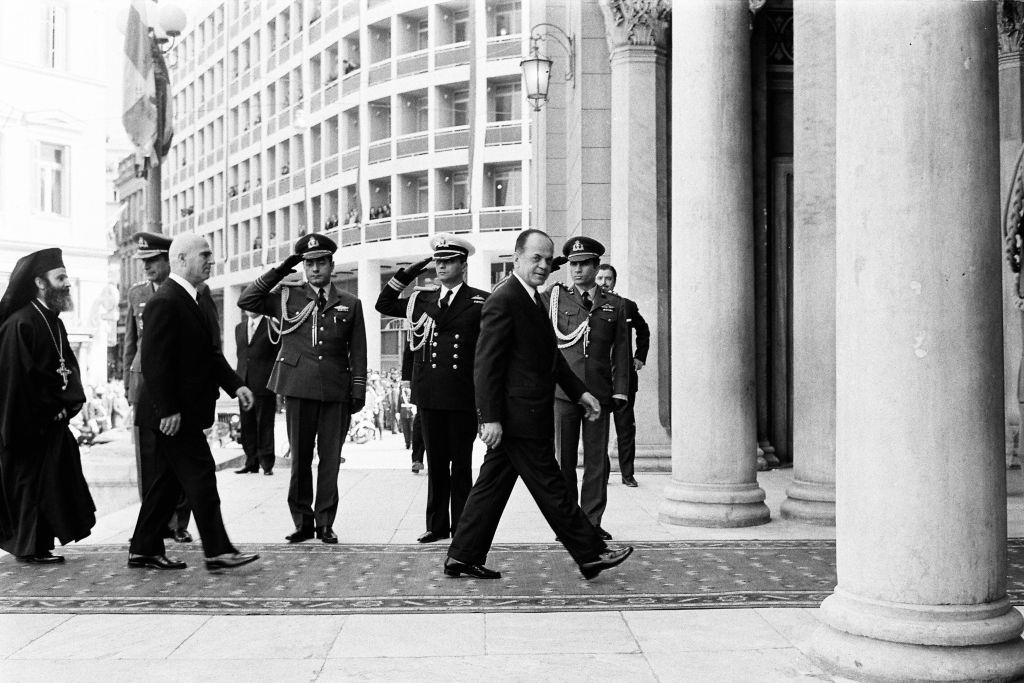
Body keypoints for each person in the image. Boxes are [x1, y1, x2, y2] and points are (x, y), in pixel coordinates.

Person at [445, 229, 633, 581]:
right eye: (536, 258)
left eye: (548, 259)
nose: (544, 265)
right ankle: (590, 554)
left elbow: (552, 358)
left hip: (524, 415)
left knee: (492, 486)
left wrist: (580, 392)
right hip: (518, 419)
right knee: (553, 488)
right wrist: (490, 418)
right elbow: (486, 364)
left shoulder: (532, 298)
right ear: (517, 258)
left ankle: (462, 555)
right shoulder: (505, 299)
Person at [128, 234, 258, 572]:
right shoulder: (166, 301)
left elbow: (210, 355)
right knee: (201, 477)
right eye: (205, 254)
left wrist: (236, 386)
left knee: (167, 483)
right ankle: (217, 550)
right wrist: (168, 409)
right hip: (173, 414)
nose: (211, 260)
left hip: (181, 411)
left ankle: (143, 549)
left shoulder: (196, 299)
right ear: (182, 259)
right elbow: (155, 362)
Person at [238, 233, 367, 544]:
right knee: (300, 459)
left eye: (321, 262)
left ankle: (325, 522)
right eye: (309, 263)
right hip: (297, 386)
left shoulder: (350, 303)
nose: (315, 269)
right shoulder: (288, 297)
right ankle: (301, 521)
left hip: (335, 388)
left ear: (332, 265)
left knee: (330, 459)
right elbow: (247, 300)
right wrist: (282, 269)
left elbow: (358, 350)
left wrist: (358, 390)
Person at [376, 233, 489, 544]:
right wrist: (409, 272)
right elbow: (382, 303)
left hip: (462, 394)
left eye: (449, 260)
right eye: (438, 260)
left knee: (461, 464)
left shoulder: (480, 300)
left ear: (463, 265)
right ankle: (437, 525)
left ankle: (462, 529)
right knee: (436, 463)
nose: (441, 266)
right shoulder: (421, 299)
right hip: (430, 394)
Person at [0, 248, 96, 563]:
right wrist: (45, 412)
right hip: (27, 425)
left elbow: (68, 369)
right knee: (32, 487)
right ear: (41, 282)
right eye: (61, 277)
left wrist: (68, 405)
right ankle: (30, 548)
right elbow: (17, 380)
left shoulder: (53, 321)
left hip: (52, 422)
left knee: (53, 485)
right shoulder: (20, 324)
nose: (67, 283)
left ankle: (39, 543)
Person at [543, 237, 630, 540]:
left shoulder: (614, 304)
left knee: (597, 462)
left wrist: (620, 391)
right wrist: (552, 266)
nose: (577, 270)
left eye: (583, 264)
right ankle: (569, 521)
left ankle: (591, 520)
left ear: (596, 267)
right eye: (572, 265)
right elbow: (513, 293)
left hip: (598, 392)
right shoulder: (554, 298)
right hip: (564, 393)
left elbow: (621, 350)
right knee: (563, 460)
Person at [123, 232, 193, 543]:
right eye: (144, 262)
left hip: (175, 383)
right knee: (147, 460)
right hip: (143, 384)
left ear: (169, 260)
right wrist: (129, 384)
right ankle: (151, 524)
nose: (147, 268)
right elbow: (130, 341)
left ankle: (178, 524)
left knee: (177, 455)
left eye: (153, 261)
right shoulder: (136, 293)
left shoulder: (184, 292)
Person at [596, 263, 650, 488]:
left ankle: (628, 475)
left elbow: (643, 329)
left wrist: (640, 356)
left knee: (625, 429)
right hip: (599, 379)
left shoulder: (626, 306)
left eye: (608, 279)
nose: (603, 283)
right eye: (599, 278)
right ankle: (603, 474)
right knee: (599, 430)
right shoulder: (589, 306)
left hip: (624, 378)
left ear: (615, 281)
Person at [234, 310, 278, 475]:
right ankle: (251, 462)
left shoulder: (272, 326)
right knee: (247, 424)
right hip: (244, 383)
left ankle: (267, 464)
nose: (249, 308)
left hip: (265, 384)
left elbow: (277, 355)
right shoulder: (239, 328)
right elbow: (242, 356)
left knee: (265, 424)